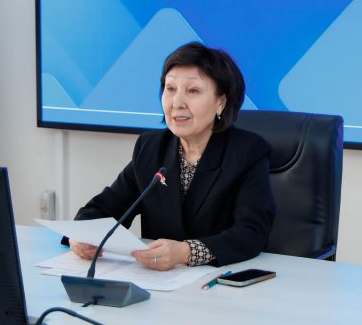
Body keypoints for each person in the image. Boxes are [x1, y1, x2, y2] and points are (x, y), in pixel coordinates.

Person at [71, 42, 275, 270]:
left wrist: (186, 252)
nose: (177, 103)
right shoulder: (150, 147)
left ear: (221, 102)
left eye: (193, 91)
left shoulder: (247, 151)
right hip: (156, 280)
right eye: (170, 89)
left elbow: (252, 232)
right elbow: (104, 208)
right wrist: (80, 236)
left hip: (219, 280)